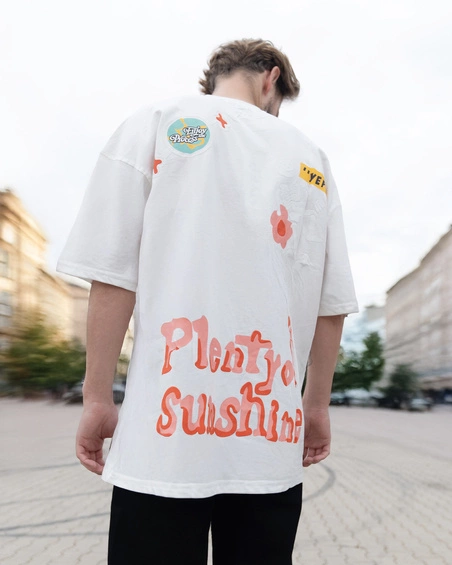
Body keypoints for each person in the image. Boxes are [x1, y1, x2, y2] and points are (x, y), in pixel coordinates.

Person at [57, 38, 358, 565]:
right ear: (271, 79)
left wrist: (98, 396)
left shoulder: (155, 122)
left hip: (162, 444)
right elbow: (330, 305)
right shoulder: (312, 159)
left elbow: (112, 276)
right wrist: (315, 407)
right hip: (269, 444)